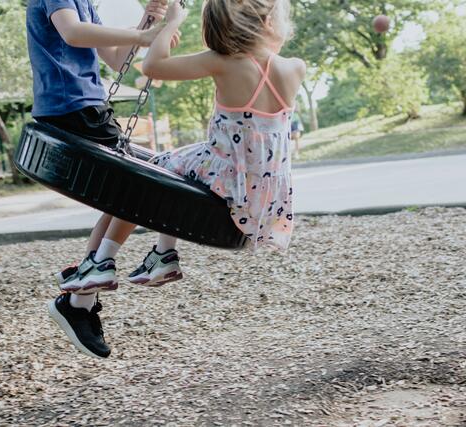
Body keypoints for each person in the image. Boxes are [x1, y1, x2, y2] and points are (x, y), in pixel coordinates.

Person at [50, 0, 306, 359]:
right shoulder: (295, 68)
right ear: (267, 22)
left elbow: (152, 66)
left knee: (152, 174)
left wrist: (170, 23)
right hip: (263, 197)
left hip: (223, 174)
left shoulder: (222, 62)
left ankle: (107, 259)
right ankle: (161, 253)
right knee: (173, 172)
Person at [27, 0, 178, 359]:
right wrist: (144, 34)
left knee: (126, 195)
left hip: (87, 108)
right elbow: (72, 33)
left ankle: (81, 299)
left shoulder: (86, 4)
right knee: (144, 183)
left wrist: (150, 22)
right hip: (72, 109)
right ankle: (157, 255)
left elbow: (117, 59)